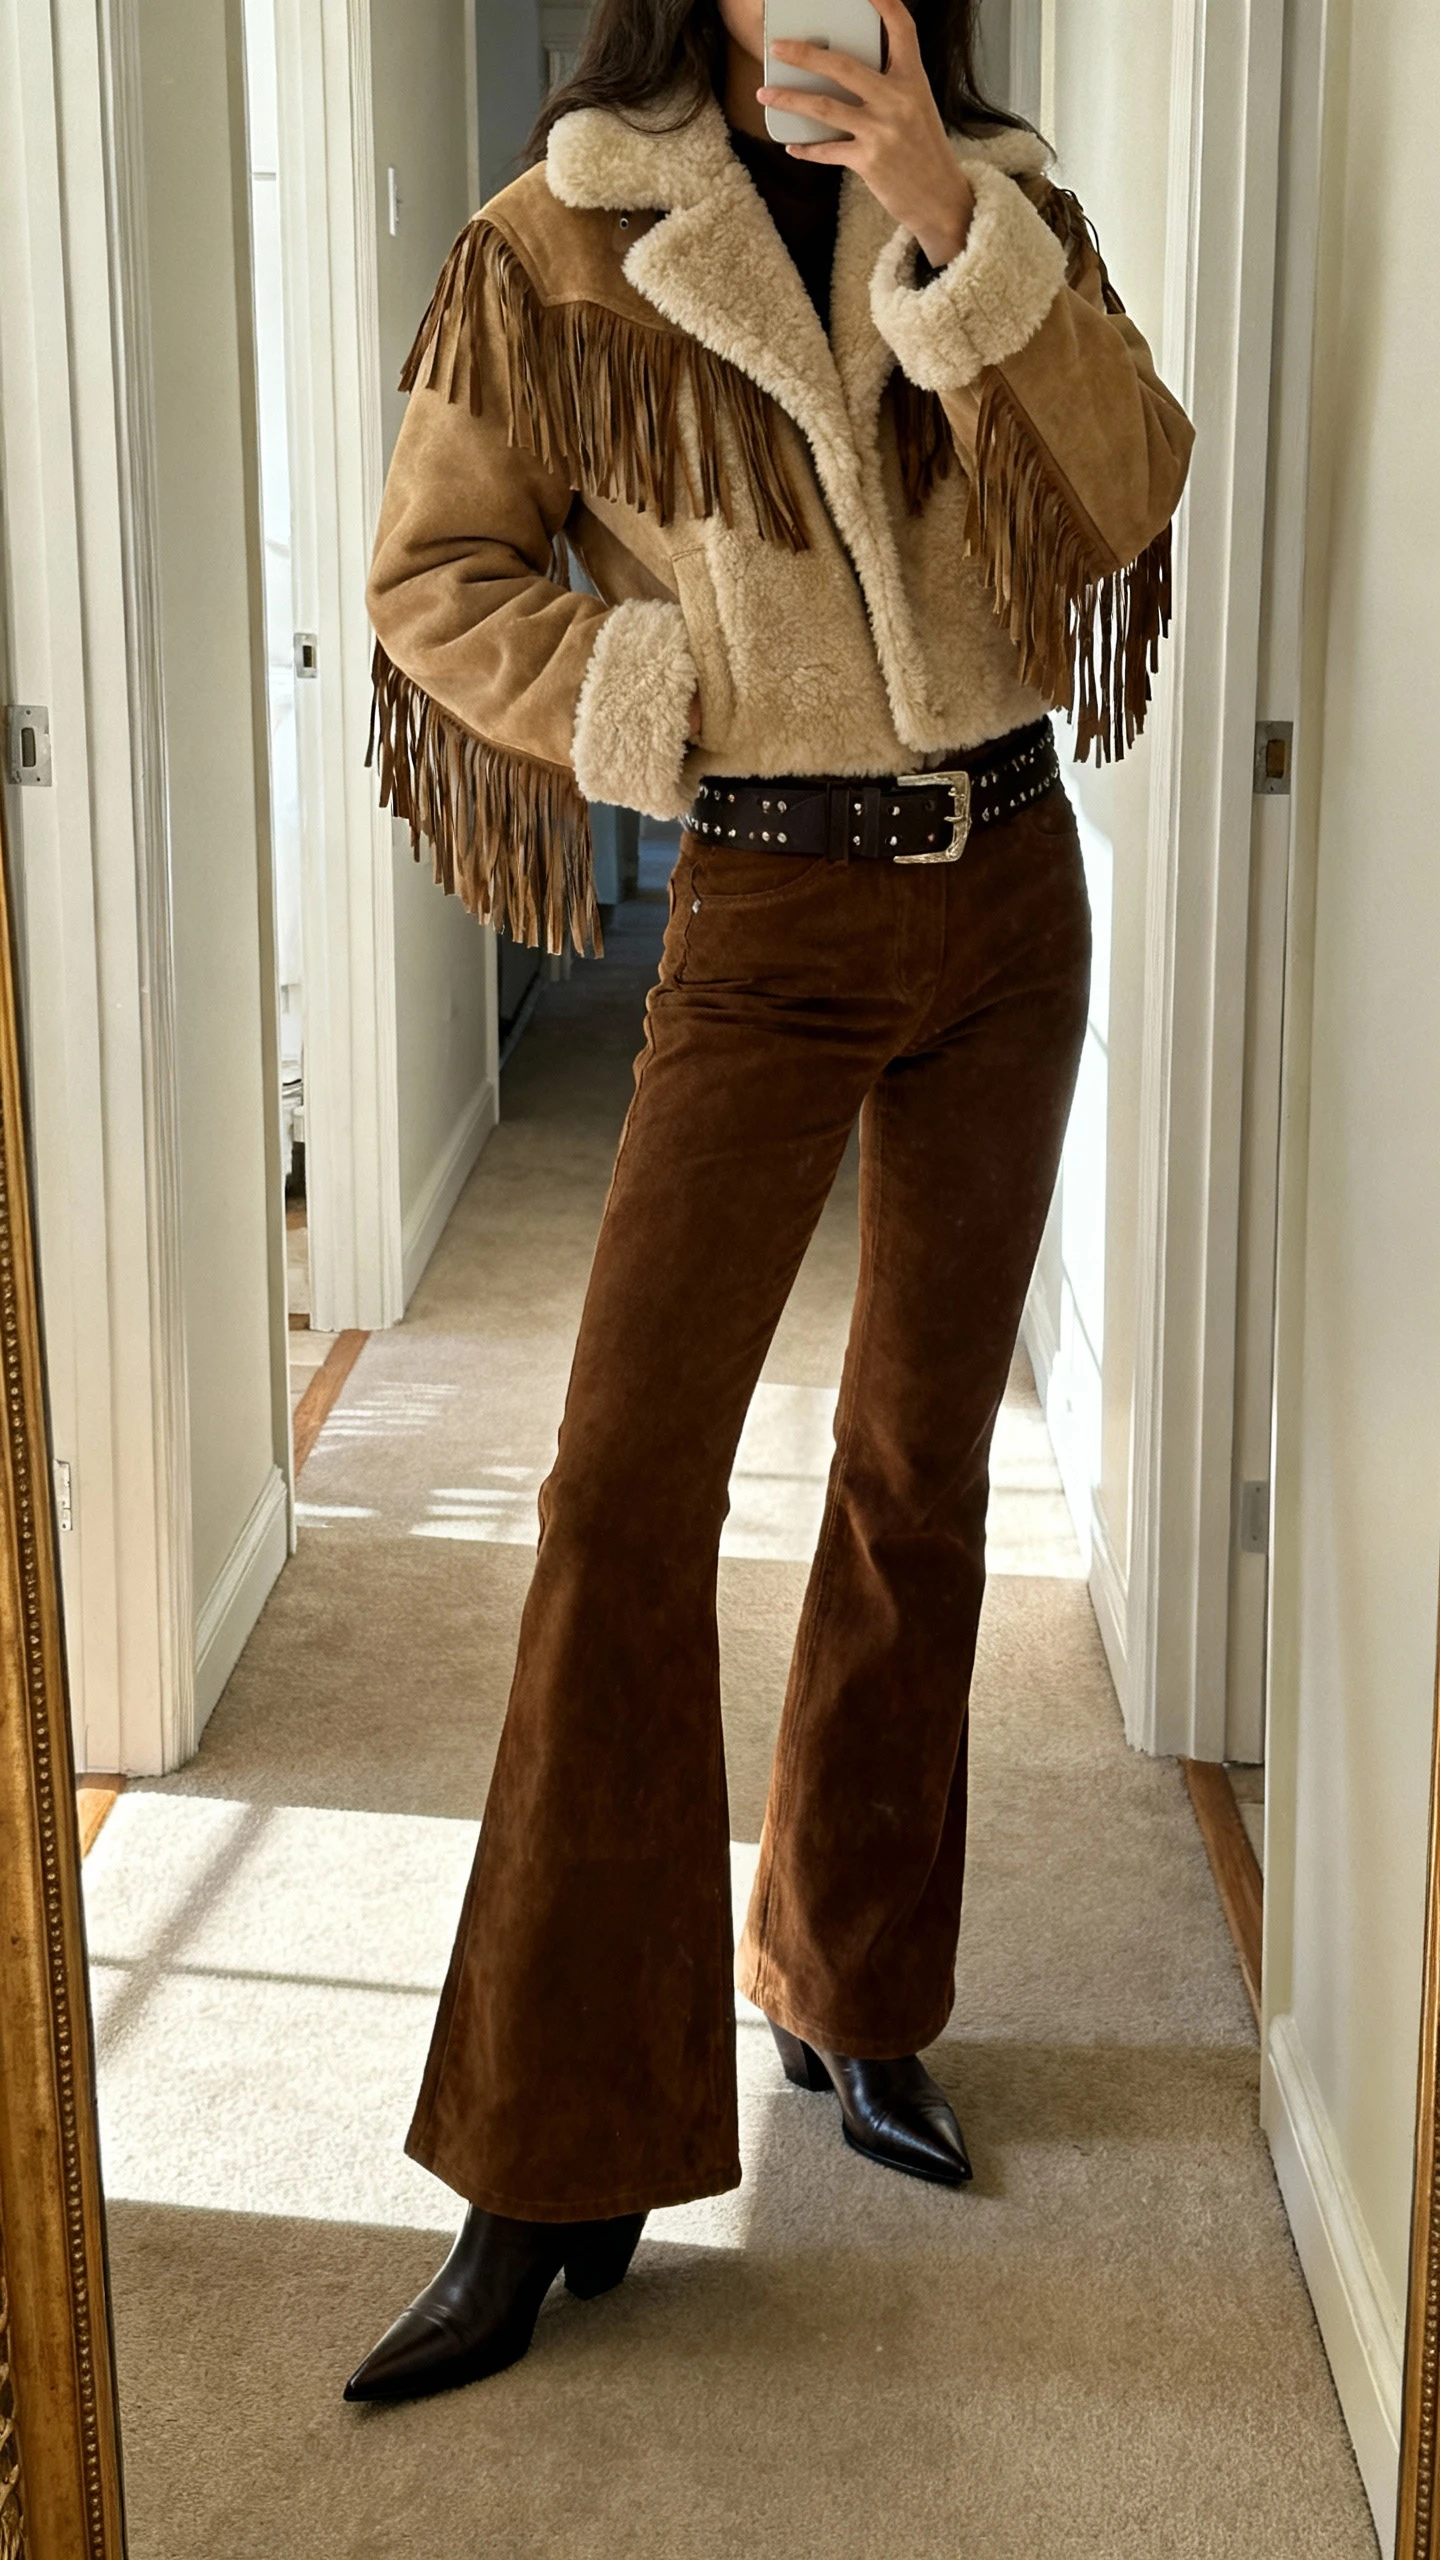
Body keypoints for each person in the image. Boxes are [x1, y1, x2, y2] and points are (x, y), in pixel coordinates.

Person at [345, 0, 1192, 2405]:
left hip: (1010, 895)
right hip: (766, 908)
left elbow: (1127, 494)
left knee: (920, 1475)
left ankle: (855, 1988)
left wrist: (950, 214)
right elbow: (431, 571)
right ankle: (547, 2145)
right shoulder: (569, 230)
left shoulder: (1005, 191)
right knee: (616, 1491)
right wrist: (651, 692)